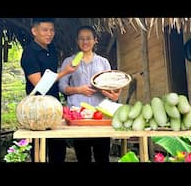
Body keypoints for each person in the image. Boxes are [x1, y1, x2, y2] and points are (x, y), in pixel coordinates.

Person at [59, 25, 121, 162]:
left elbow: (109, 85)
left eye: (88, 38)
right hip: (78, 116)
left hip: (100, 115)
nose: (85, 42)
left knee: (102, 156)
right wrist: (78, 90)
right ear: (77, 40)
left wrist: (108, 90)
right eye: (81, 39)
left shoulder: (103, 62)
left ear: (95, 40)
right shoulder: (69, 62)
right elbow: (62, 86)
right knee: (83, 156)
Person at [20, 18, 78, 163]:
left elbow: (53, 76)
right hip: (37, 107)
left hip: (53, 103)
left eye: (51, 30)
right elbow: (39, 84)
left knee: (58, 146)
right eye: (45, 30)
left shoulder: (51, 49)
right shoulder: (29, 53)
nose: (49, 34)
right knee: (39, 147)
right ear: (34, 31)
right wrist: (65, 72)